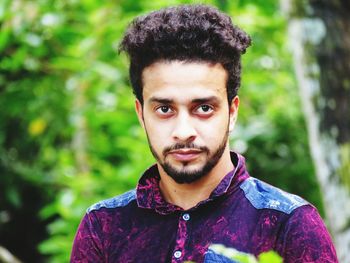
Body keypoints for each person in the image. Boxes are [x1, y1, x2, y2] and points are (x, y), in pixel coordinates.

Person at [70, 4, 338, 263]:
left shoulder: (289, 225)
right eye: (164, 109)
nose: (183, 131)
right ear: (141, 114)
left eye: (204, 108)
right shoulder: (104, 227)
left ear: (232, 112)